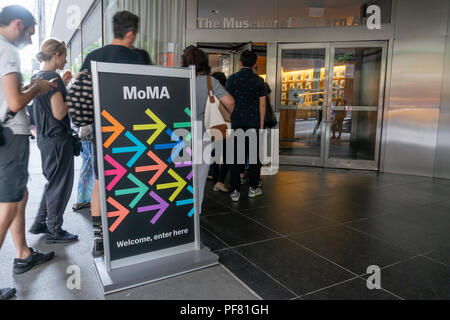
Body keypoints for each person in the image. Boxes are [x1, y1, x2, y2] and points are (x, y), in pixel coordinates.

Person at [78, 10, 147, 257]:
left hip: (102, 128)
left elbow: (81, 93)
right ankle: (131, 230)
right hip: (134, 131)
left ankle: (99, 238)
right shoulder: (139, 57)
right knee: (134, 178)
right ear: (131, 33)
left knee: (100, 181)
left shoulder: (94, 56)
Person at [0, 5, 56, 300]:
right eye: (30, 33)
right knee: (9, 204)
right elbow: (14, 101)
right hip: (12, 135)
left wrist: (29, 85)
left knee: (18, 197)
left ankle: (23, 254)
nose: (31, 41)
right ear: (18, 24)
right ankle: (21, 254)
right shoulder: (7, 50)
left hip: (4, 134)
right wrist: (36, 87)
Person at [28, 39, 78, 243]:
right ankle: (54, 230)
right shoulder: (52, 78)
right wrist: (72, 94)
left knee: (53, 182)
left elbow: (47, 109)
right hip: (58, 139)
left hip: (45, 139)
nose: (66, 60)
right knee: (61, 185)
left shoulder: (37, 77)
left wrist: (63, 86)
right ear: (56, 55)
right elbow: (59, 112)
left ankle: (41, 222)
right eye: (65, 56)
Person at [181, 48, 234, 211]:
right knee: (200, 173)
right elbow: (230, 102)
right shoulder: (210, 81)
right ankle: (195, 210)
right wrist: (228, 116)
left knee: (181, 172)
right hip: (203, 129)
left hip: (180, 129)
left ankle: (179, 209)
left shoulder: (179, 80)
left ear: (184, 62)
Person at [226, 50, 267, 202]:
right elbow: (262, 104)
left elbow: (228, 101)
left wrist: (232, 115)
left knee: (236, 157)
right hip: (253, 123)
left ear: (240, 62)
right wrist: (261, 125)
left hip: (237, 122)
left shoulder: (232, 79)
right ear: (255, 64)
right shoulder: (259, 81)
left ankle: (235, 191)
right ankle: (253, 188)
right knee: (255, 157)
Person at [210, 71, 230, 193]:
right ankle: (220, 182)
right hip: (224, 127)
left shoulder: (209, 94)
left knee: (214, 155)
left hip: (212, 127)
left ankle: (216, 181)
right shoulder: (224, 94)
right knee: (228, 155)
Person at [72, 124, 95, 211]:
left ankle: (83, 199)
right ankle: (95, 202)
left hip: (83, 133)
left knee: (86, 165)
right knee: (96, 166)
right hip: (93, 132)